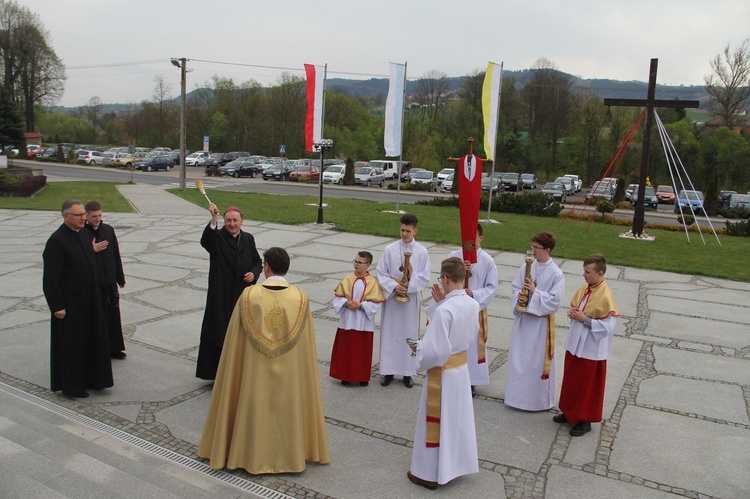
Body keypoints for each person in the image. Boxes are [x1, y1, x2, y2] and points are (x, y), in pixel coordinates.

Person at [197, 247, 330, 474]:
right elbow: (306, 347)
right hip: (290, 374)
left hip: (253, 372)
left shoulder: (249, 296)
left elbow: (234, 341)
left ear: (266, 267)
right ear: (286, 268)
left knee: (253, 404)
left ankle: (246, 454)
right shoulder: (300, 298)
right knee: (288, 407)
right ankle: (291, 456)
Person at [407, 257, 479, 490]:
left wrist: (419, 351)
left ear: (446, 279)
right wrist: (440, 303)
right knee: (456, 421)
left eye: (441, 278)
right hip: (461, 371)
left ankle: (427, 473)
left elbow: (435, 350)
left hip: (443, 374)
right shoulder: (471, 303)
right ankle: (455, 466)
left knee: (435, 422)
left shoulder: (446, 310)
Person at [42, 199, 113, 398]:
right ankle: (72, 386)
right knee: (73, 346)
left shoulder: (84, 234)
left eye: (84, 214)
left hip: (90, 300)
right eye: (79, 215)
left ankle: (94, 379)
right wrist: (57, 306)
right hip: (70, 305)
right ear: (66, 216)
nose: (84, 218)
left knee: (92, 340)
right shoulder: (56, 241)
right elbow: (51, 278)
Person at [196, 203, 262, 380]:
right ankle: (217, 373)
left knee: (240, 334)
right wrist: (213, 218)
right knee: (219, 332)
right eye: (228, 221)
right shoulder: (217, 237)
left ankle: (238, 371)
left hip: (241, 295)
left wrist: (253, 274)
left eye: (235, 220)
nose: (232, 224)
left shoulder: (248, 238)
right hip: (220, 295)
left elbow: (257, 261)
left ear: (242, 221)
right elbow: (205, 242)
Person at [555, 254, 619, 437]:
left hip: (591, 348)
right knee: (572, 379)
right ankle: (569, 412)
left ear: (600, 273)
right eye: (584, 270)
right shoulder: (586, 288)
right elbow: (581, 308)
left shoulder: (605, 295)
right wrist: (575, 314)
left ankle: (584, 419)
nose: (584, 274)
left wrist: (585, 319)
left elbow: (608, 326)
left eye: (588, 272)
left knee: (587, 385)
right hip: (576, 343)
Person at [505, 232, 565, 411]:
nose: (533, 251)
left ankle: (537, 401)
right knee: (519, 358)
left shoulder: (556, 273)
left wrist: (534, 293)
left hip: (540, 326)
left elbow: (555, 301)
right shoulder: (527, 267)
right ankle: (516, 397)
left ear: (547, 250)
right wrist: (520, 297)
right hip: (524, 322)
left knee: (536, 362)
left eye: (536, 248)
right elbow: (515, 287)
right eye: (532, 246)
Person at [376, 213, 431, 388]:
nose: (404, 234)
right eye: (402, 230)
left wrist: (412, 278)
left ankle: (408, 372)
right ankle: (388, 371)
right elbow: (381, 272)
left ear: (415, 231)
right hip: (393, 299)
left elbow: (425, 277)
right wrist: (394, 286)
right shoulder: (390, 249)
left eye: (408, 231)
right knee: (390, 333)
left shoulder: (422, 252)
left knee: (409, 335)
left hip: (410, 300)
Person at [448, 224, 497, 395]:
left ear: (481, 238)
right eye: (466, 238)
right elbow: (445, 277)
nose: (469, 242)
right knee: (454, 342)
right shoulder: (455, 256)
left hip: (474, 311)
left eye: (473, 238)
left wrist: (474, 293)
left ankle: (470, 381)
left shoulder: (487, 261)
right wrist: (459, 270)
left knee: (472, 346)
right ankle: (451, 376)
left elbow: (491, 287)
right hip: (456, 309)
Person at [329, 251, 385, 386]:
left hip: (363, 321)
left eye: (359, 262)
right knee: (346, 348)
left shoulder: (372, 282)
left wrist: (361, 305)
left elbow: (376, 302)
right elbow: (338, 297)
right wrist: (346, 303)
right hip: (348, 319)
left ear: (368, 265)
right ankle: (345, 375)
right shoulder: (347, 279)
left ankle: (362, 376)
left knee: (362, 350)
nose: (356, 264)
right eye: (355, 261)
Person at [84, 200, 127, 359]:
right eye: (94, 216)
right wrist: (91, 249)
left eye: (100, 215)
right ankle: (99, 350)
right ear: (87, 215)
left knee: (113, 316)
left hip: (110, 280)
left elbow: (116, 254)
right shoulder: (82, 233)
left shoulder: (108, 229)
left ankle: (115, 348)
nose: (97, 219)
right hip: (94, 282)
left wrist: (120, 277)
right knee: (97, 317)